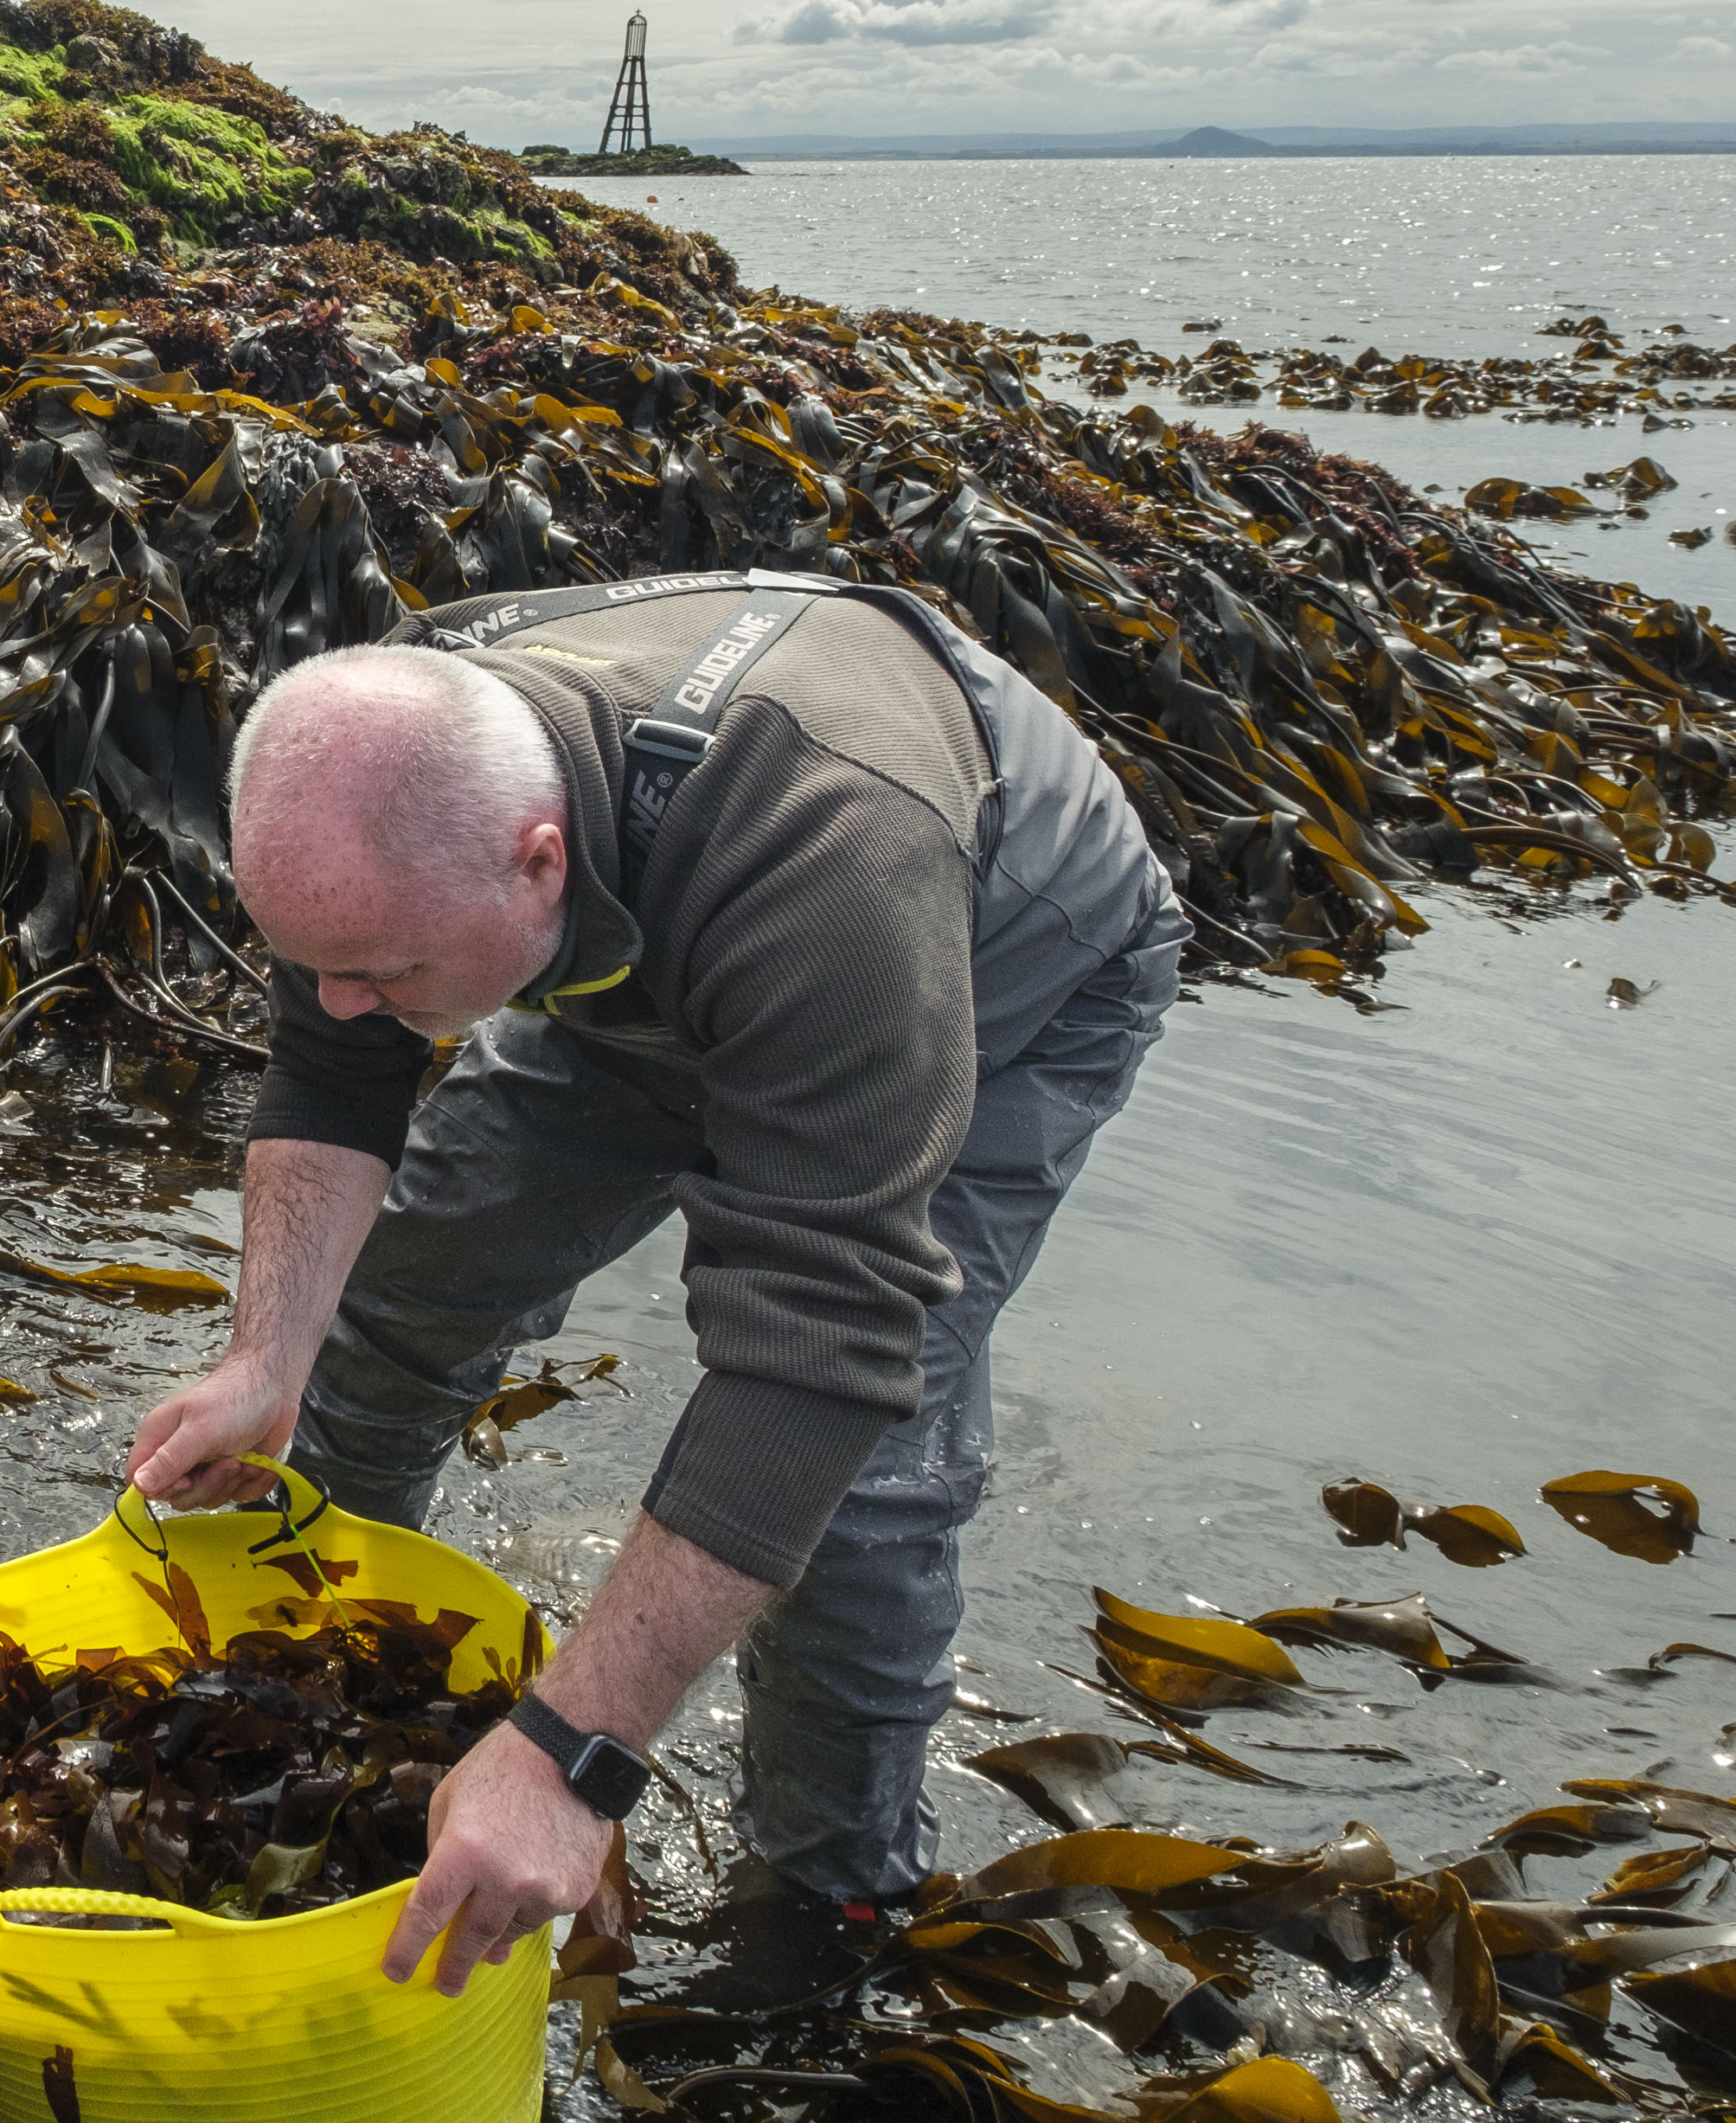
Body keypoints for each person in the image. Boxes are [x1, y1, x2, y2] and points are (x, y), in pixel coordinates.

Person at [125, 570, 1186, 2011]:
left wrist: (578, 1749)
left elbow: (821, 1349)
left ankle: (826, 1910)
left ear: (538, 861)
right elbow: (333, 1062)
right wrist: (266, 1355)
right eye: (325, 965)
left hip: (1003, 964)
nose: (345, 1000)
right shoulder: (394, 757)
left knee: (855, 1483)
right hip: (653, 926)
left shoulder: (839, 868)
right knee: (413, 1278)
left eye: (384, 971)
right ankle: (318, 1664)